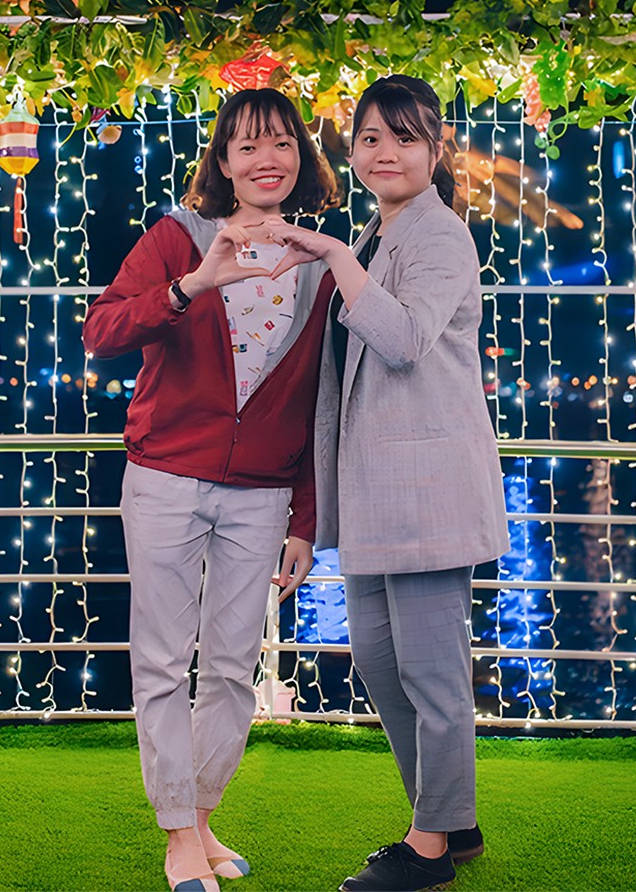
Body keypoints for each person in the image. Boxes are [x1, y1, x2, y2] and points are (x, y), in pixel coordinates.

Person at [82, 88, 341, 892]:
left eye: (283, 145)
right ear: (223, 165)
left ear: (302, 159)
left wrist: (305, 518)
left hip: (261, 493)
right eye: (248, 147)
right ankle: (176, 834)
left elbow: (314, 406)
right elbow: (103, 331)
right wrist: (191, 285)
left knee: (232, 670)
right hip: (164, 478)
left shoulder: (324, 261)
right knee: (161, 663)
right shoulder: (179, 237)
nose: (268, 160)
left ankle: (199, 818)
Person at [264, 75, 509, 892]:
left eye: (404, 137)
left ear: (435, 151)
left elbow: (404, 338)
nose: (384, 152)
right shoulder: (376, 236)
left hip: (428, 490)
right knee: (376, 659)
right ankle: (450, 818)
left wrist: (331, 255)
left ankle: (430, 846)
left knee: (431, 673)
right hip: (374, 495)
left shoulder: (437, 236)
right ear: (353, 149)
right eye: (370, 137)